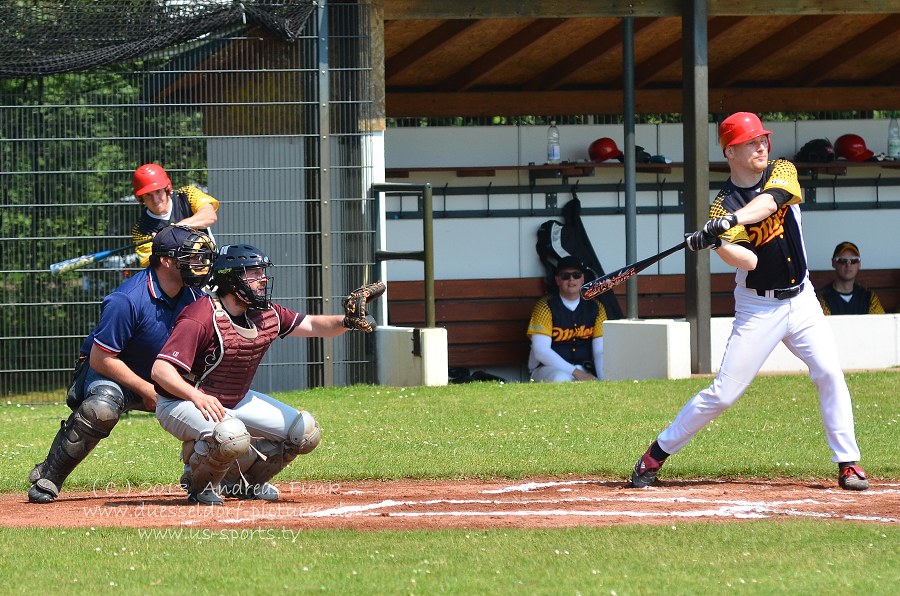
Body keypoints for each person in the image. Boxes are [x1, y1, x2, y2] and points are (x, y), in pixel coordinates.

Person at [629, 112, 869, 492]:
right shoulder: (722, 207)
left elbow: (771, 204)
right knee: (724, 393)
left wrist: (727, 224)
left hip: (803, 300)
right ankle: (656, 453)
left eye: (763, 139)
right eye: (751, 141)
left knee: (828, 373)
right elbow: (750, 261)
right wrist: (718, 241)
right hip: (759, 308)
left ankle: (848, 463)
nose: (762, 146)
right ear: (730, 151)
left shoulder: (781, 170)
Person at [151, 244, 384, 505]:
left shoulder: (265, 312)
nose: (262, 279)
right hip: (181, 402)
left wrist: (346, 321)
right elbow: (160, 370)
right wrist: (196, 396)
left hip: (234, 399)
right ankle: (199, 482)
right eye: (252, 273)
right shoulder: (201, 316)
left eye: (261, 271)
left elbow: (310, 324)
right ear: (231, 279)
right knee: (231, 435)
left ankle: (244, 484)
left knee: (304, 432)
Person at [27, 225, 216, 503]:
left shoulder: (196, 298)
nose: (199, 265)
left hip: (165, 377)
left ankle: (210, 478)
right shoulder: (126, 300)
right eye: (191, 257)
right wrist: (146, 389)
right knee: (101, 407)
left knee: (215, 404)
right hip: (111, 374)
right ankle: (51, 476)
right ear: (166, 261)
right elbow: (101, 359)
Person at [527, 256, 607, 382]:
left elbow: (600, 351)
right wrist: (576, 373)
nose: (571, 279)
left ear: (582, 279)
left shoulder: (596, 307)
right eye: (565, 276)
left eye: (576, 275)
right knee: (561, 379)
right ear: (557, 280)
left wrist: (603, 381)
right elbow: (541, 352)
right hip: (547, 369)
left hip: (584, 368)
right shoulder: (545, 306)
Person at [131, 163, 219, 268]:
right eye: (148, 195)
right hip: (177, 278)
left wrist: (173, 230)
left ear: (167, 189)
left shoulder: (187, 194)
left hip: (211, 265)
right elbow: (153, 265)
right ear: (140, 198)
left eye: (158, 191)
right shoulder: (141, 229)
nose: (155, 200)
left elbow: (209, 216)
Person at [817, 241, 885, 315]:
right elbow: (825, 325)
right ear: (833, 263)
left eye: (854, 260)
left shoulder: (869, 298)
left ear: (859, 264)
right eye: (842, 260)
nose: (848, 265)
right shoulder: (822, 298)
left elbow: (880, 323)